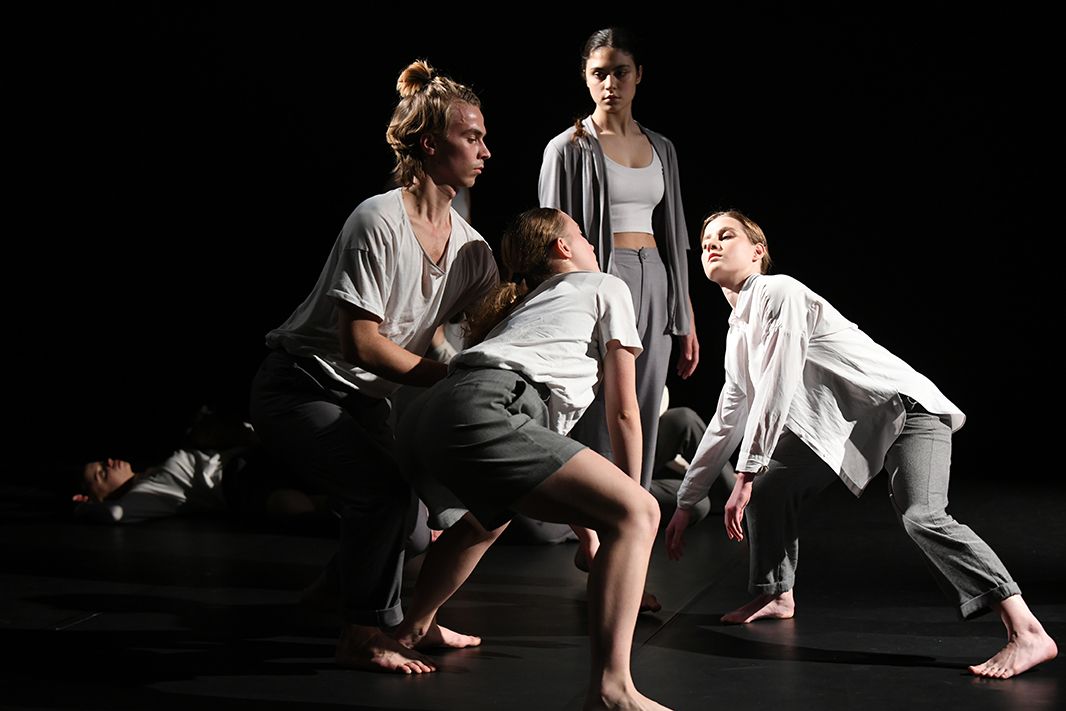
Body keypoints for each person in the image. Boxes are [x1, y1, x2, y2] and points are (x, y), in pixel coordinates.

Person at [665, 209, 1057, 679]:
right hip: (846, 426)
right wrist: (687, 501)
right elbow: (727, 418)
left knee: (922, 515)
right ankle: (776, 593)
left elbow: (776, 384)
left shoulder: (779, 291)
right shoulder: (738, 332)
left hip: (904, 410)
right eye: (706, 240)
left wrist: (745, 473)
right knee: (771, 492)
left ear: (757, 252)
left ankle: (1027, 631)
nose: (711, 244)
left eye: (726, 235)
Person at [248, 59, 498, 674]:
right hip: (299, 384)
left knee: (411, 527)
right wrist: (450, 379)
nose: (485, 151)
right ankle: (363, 634)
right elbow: (361, 344)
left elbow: (491, 321)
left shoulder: (471, 249)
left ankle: (337, 595)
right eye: (471, 137)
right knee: (382, 496)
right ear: (429, 143)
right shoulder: (377, 220)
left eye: (484, 138)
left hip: (364, 400)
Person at [395, 207, 670, 710]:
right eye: (582, 235)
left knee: (486, 520)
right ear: (562, 248)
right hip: (489, 407)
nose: (591, 244)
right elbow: (624, 412)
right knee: (639, 511)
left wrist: (590, 535)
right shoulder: (604, 284)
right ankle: (612, 690)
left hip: (430, 413)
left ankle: (414, 627)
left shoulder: (523, 307)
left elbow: (553, 459)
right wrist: (628, 504)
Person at [539, 27, 699, 494]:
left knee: (644, 405)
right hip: (603, 278)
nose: (610, 83)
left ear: (639, 75)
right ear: (586, 78)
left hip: (657, 278)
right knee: (600, 405)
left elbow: (675, 235)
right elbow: (549, 236)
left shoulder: (662, 147)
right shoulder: (566, 148)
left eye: (621, 72)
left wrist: (685, 312)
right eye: (599, 73)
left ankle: (636, 511)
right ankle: (595, 509)